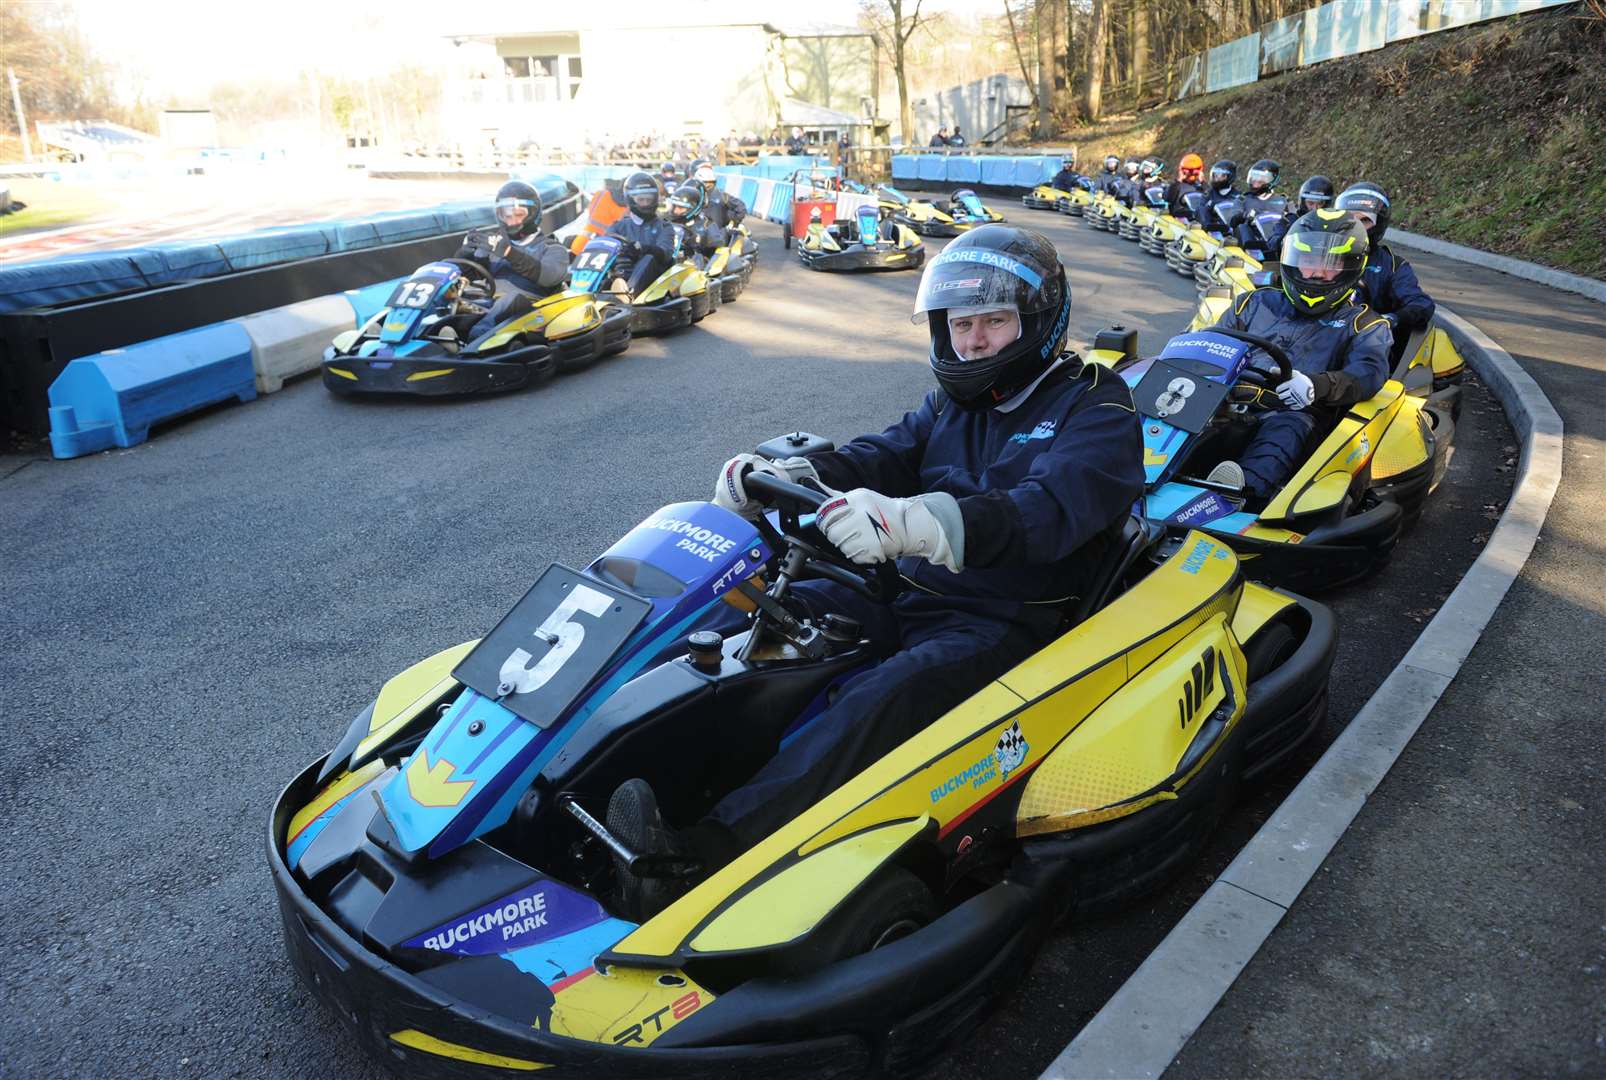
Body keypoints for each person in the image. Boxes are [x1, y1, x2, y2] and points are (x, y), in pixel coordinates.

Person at [605, 225, 1146, 919]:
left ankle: (699, 859)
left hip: (1007, 616)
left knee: (886, 697)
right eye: (961, 324)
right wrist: (791, 475)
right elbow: (882, 456)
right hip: (900, 586)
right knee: (751, 618)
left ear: (1038, 324)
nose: (974, 341)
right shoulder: (956, 401)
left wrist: (919, 522)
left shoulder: (1096, 407)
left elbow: (1049, 511)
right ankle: (614, 770)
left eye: (994, 323)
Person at [1203, 210, 1392, 501]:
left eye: (1330, 264)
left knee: (1287, 428)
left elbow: (1368, 373)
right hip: (1227, 402)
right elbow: (1212, 346)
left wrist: (1318, 385)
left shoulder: (1365, 325)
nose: (1316, 273)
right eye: (1308, 261)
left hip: (1294, 415)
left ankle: (1238, 495)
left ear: (1351, 267)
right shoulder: (1253, 303)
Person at [453, 180, 570, 339]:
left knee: (511, 299)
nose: (512, 221)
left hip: (534, 312)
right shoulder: (496, 246)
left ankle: (474, 338)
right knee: (455, 302)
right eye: (506, 215)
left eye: (519, 215)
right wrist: (464, 255)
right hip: (493, 308)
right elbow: (473, 277)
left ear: (534, 214)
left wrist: (509, 252)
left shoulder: (553, 248)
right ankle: (437, 337)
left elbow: (548, 276)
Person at [1335, 181, 1436, 351]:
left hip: (1368, 340)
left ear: (1379, 224)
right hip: (1320, 333)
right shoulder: (1321, 256)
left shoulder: (1393, 265)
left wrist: (1390, 319)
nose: (1355, 228)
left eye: (1365, 220)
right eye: (1349, 220)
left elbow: (1421, 303)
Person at [605, 171, 679, 293]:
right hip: (621, 273)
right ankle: (587, 291)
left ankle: (628, 293)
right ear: (630, 199)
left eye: (648, 200)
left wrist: (642, 248)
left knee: (649, 258)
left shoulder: (664, 227)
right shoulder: (618, 226)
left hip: (654, 283)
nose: (645, 204)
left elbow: (666, 254)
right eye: (641, 200)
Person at [1263, 175, 1336, 253]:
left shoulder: (1334, 223)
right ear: (1303, 202)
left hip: (1326, 262)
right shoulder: (1289, 220)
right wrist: (1283, 238)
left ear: (1326, 204)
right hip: (1296, 263)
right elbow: (1272, 244)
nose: (1315, 208)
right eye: (1311, 203)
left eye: (1320, 203)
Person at [692, 161, 747, 246]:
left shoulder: (722, 196)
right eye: (706, 183)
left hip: (715, 236)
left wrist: (733, 223)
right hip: (701, 234)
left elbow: (741, 208)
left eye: (709, 183)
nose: (707, 186)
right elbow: (741, 208)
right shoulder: (695, 197)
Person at [1200, 159, 1239, 230]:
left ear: (1230, 177)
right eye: (1215, 175)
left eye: (1221, 176)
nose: (1217, 178)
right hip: (1213, 230)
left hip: (1231, 231)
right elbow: (1201, 211)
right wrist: (1210, 206)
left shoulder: (1237, 196)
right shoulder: (1208, 194)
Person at [1166, 153, 1205, 218]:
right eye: (1188, 171)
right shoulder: (1176, 186)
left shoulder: (1201, 186)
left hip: (1198, 219)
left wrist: (1203, 182)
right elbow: (1168, 198)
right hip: (1180, 220)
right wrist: (1179, 180)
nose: (1191, 174)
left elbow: (1211, 198)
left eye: (1195, 171)